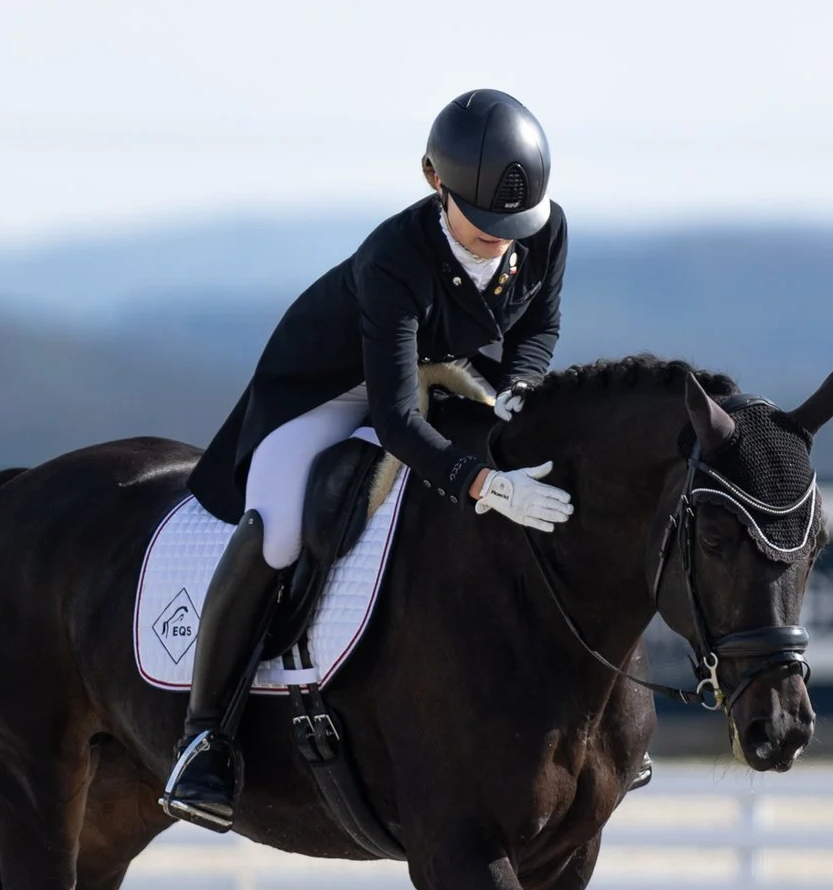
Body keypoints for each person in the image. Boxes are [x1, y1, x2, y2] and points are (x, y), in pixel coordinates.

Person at [162, 89, 574, 829]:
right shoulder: (394, 258)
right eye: (482, 225)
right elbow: (394, 419)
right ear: (433, 179)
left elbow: (540, 329)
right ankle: (202, 738)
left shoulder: (541, 230)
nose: (500, 242)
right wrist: (484, 484)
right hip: (325, 394)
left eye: (513, 228)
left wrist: (519, 388)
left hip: (443, 377)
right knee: (283, 528)